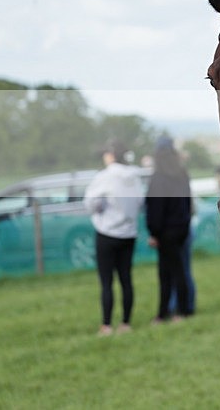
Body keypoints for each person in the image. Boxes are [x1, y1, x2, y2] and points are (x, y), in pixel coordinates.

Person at [84, 139, 144, 336]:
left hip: (107, 233)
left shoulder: (105, 177)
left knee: (106, 282)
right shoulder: (135, 176)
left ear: (110, 156)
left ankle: (107, 325)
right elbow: (140, 202)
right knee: (126, 279)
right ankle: (126, 323)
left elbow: (91, 203)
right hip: (129, 234)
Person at [145, 136, 193, 323]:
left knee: (167, 275)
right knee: (180, 271)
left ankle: (170, 313)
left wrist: (154, 232)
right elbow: (187, 203)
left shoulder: (158, 178)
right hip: (182, 229)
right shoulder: (182, 173)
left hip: (165, 233)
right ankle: (180, 310)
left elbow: (155, 208)